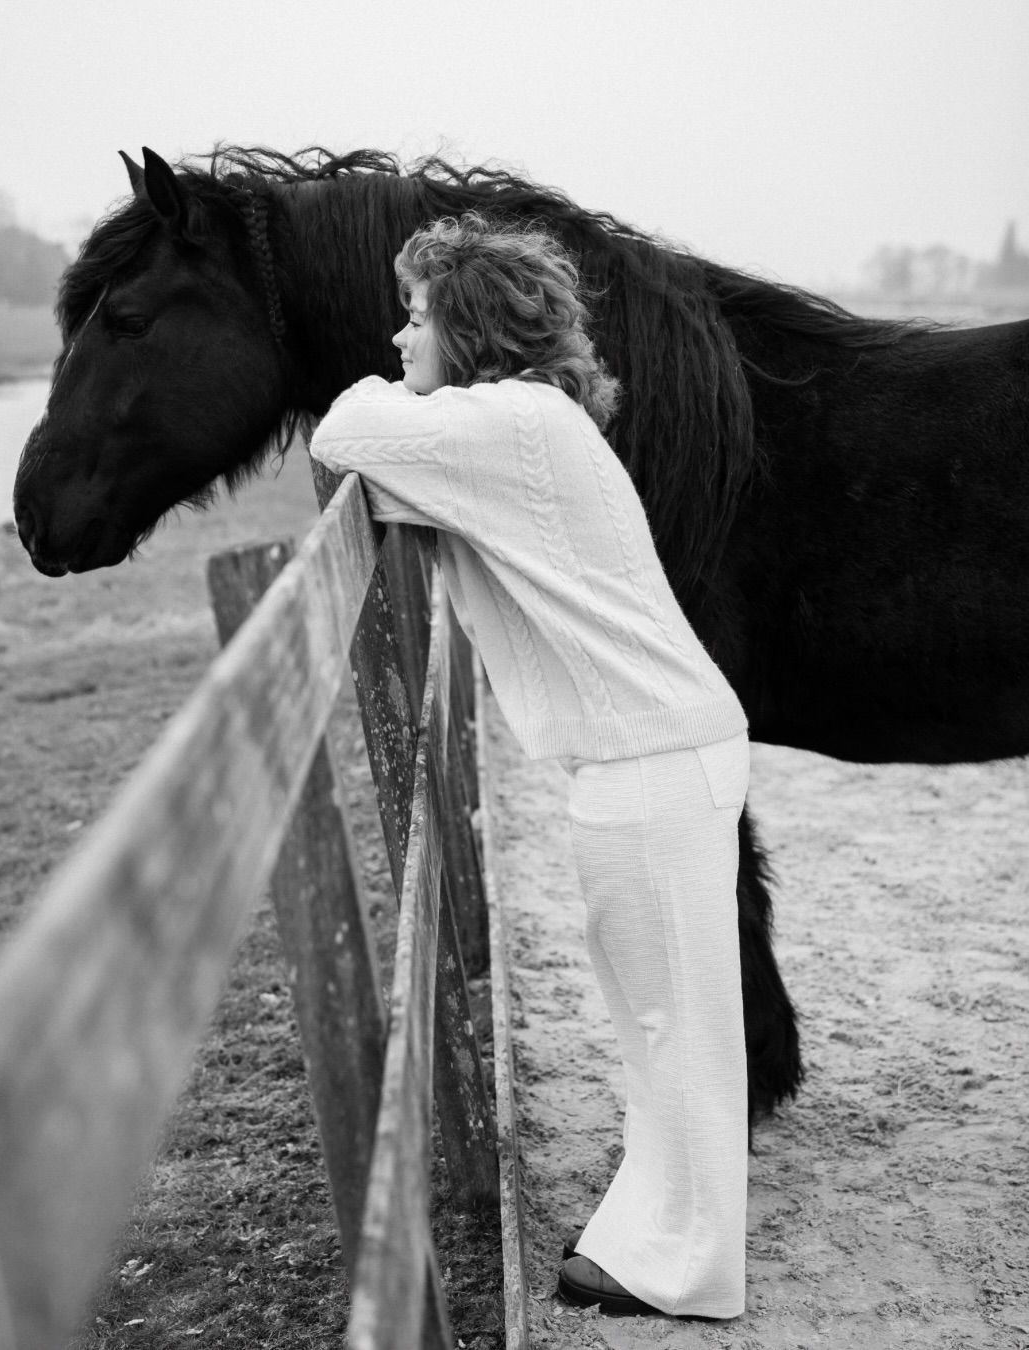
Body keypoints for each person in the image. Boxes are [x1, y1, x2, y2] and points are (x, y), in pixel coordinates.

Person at [310, 213, 750, 1320]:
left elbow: (344, 427)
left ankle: (689, 1267)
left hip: (651, 760)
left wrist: (385, 395)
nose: (396, 340)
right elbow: (405, 481)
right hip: (646, 755)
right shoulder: (519, 428)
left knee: (675, 1028)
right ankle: (649, 1232)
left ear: (467, 331)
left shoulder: (508, 422)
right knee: (651, 1021)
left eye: (413, 318)